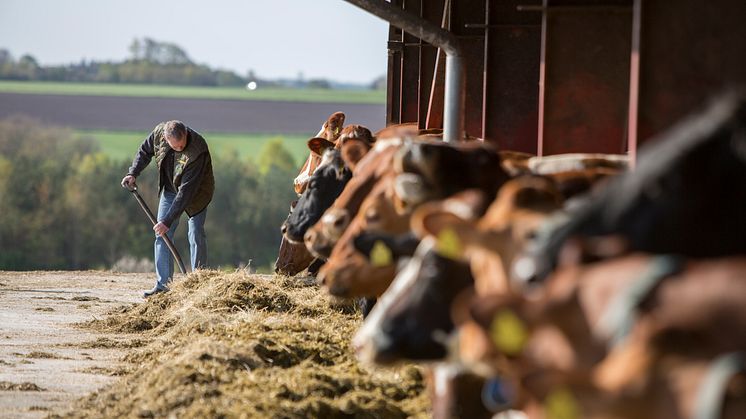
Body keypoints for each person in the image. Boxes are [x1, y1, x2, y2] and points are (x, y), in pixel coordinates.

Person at [121, 120, 214, 297]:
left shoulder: (197, 149)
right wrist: (133, 172)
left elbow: (186, 192)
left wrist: (167, 221)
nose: (180, 149)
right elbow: (144, 152)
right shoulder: (158, 134)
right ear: (165, 138)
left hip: (197, 192)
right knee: (161, 234)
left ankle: (197, 284)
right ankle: (163, 286)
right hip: (171, 189)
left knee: (195, 234)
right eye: (175, 147)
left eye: (182, 145)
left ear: (185, 133)